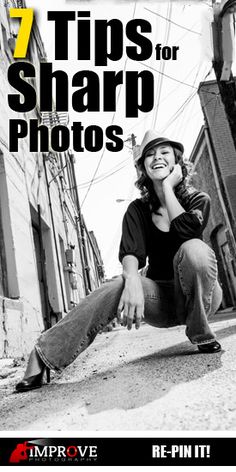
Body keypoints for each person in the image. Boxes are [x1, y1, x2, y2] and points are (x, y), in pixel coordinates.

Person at [15, 129, 222, 393]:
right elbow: (131, 254)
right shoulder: (137, 210)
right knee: (118, 283)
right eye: (149, 154)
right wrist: (133, 280)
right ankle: (44, 355)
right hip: (162, 302)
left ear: (177, 161)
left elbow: (187, 232)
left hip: (202, 298)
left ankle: (201, 332)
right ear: (143, 168)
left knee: (194, 249)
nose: (156, 157)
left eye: (164, 152)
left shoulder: (197, 200)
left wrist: (168, 187)